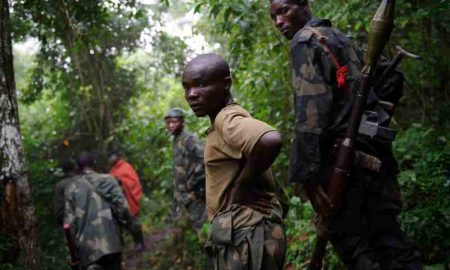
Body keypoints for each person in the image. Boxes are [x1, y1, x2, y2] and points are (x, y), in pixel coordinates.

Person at [269, 0, 422, 269]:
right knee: (391, 243)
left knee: (357, 249)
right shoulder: (339, 37)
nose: (279, 21)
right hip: (374, 155)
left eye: (284, 11)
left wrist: (308, 178)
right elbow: (390, 79)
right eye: (273, 17)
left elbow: (310, 115)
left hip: (343, 164)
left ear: (304, 5)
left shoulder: (304, 42)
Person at [183, 53, 286, 270]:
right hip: (244, 233)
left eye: (201, 85)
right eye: (187, 87)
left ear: (226, 84)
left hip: (248, 234)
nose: (192, 94)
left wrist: (242, 186)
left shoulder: (226, 119)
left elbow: (270, 140)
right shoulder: (222, 121)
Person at [64, 151, 135, 270]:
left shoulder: (72, 189)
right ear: (94, 164)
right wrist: (126, 226)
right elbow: (123, 208)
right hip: (112, 243)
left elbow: (69, 225)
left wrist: (71, 255)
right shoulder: (109, 180)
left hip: (87, 251)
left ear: (77, 167)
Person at [165, 108, 207, 234]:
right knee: (185, 226)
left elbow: (205, 160)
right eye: (168, 123)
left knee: (201, 229)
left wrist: (192, 183)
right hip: (183, 195)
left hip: (194, 194)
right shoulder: (177, 140)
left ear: (182, 122)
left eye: (174, 122)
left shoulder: (189, 139)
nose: (171, 125)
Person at [108, 149, 145, 251]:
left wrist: (121, 181)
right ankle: (135, 242)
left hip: (130, 199)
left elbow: (134, 182)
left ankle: (140, 242)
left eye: (112, 156)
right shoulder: (112, 171)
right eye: (109, 157)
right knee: (127, 223)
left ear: (117, 156)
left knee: (135, 222)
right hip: (120, 202)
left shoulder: (126, 167)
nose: (111, 159)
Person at [53, 158, 79, 227]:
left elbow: (59, 210)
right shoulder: (83, 181)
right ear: (75, 167)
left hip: (68, 224)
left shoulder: (60, 185)